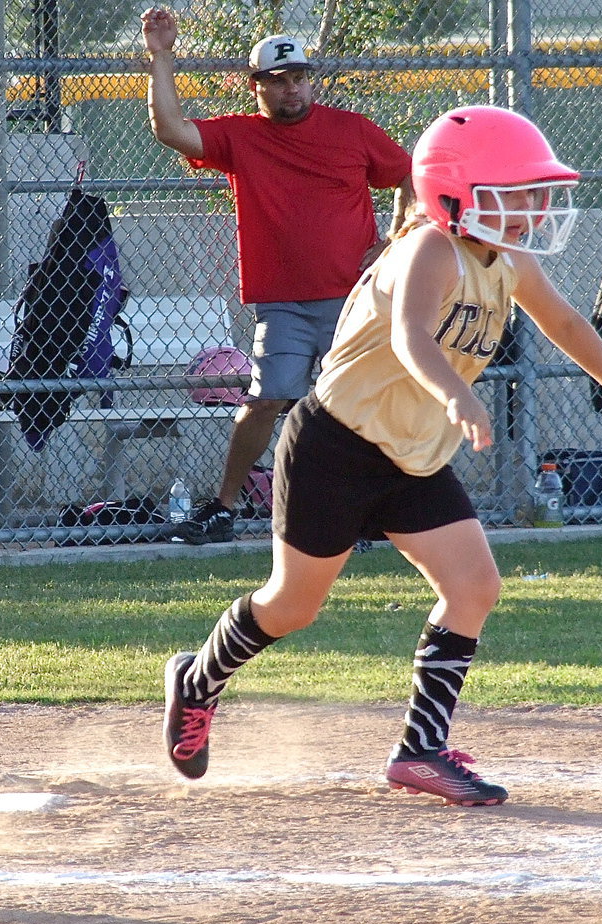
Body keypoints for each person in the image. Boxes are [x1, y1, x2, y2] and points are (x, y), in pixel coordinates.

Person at [161, 105, 602, 806]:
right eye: (521, 191)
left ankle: (420, 749)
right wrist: (455, 396)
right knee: (291, 606)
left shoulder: (504, 258)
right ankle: (198, 679)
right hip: (337, 448)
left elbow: (564, 321)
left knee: (474, 586)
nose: (536, 206)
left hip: (411, 457)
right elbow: (412, 336)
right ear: (459, 191)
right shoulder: (428, 250)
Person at [141, 8, 413, 543]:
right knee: (265, 401)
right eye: (279, 81)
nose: (293, 89)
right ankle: (224, 507)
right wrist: (161, 56)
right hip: (284, 303)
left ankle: (372, 508)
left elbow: (409, 176)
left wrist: (394, 241)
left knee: (360, 404)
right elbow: (169, 129)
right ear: (257, 88)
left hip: (354, 298)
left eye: (299, 78)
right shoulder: (242, 137)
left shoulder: (350, 129)